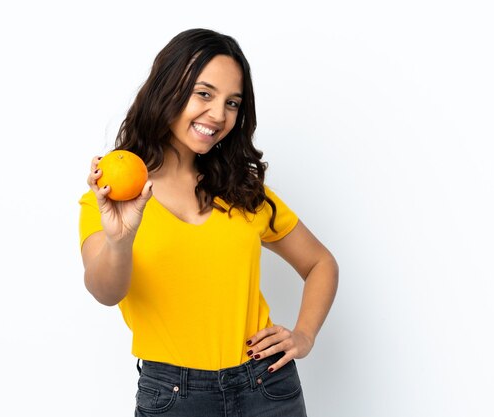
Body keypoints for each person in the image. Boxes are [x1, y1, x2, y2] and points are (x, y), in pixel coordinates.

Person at [78, 28, 338, 417]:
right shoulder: (114, 195)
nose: (218, 115)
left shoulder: (242, 190)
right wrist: (121, 240)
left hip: (266, 387)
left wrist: (304, 335)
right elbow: (105, 292)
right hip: (174, 396)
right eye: (204, 93)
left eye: (232, 103)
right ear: (167, 88)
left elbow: (320, 263)